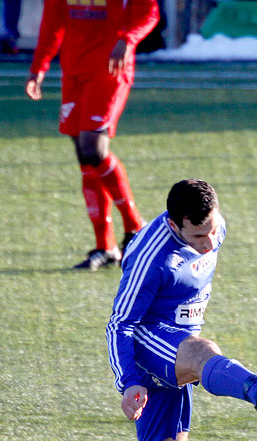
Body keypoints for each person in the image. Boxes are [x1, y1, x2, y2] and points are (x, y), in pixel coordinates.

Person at [0, 179, 257, 441]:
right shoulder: (150, 258)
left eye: (213, 230)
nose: (210, 242)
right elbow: (119, 325)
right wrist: (129, 382)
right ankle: (254, 389)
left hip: (176, 345)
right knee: (202, 352)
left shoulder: (212, 227)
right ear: (174, 225)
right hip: (148, 341)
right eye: (199, 236)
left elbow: (207, 241)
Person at [26, 0, 160, 270]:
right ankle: (106, 247)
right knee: (84, 155)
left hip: (110, 70)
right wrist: (39, 66)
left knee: (94, 148)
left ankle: (135, 225)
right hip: (74, 71)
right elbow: (53, 21)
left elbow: (149, 12)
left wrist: (127, 39)